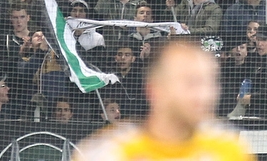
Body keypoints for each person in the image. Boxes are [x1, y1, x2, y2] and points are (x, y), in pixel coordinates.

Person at [75, 39, 252, 160]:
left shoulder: (229, 150)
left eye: (210, 82)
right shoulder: (108, 152)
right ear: (155, 89)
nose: (204, 94)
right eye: (190, 83)